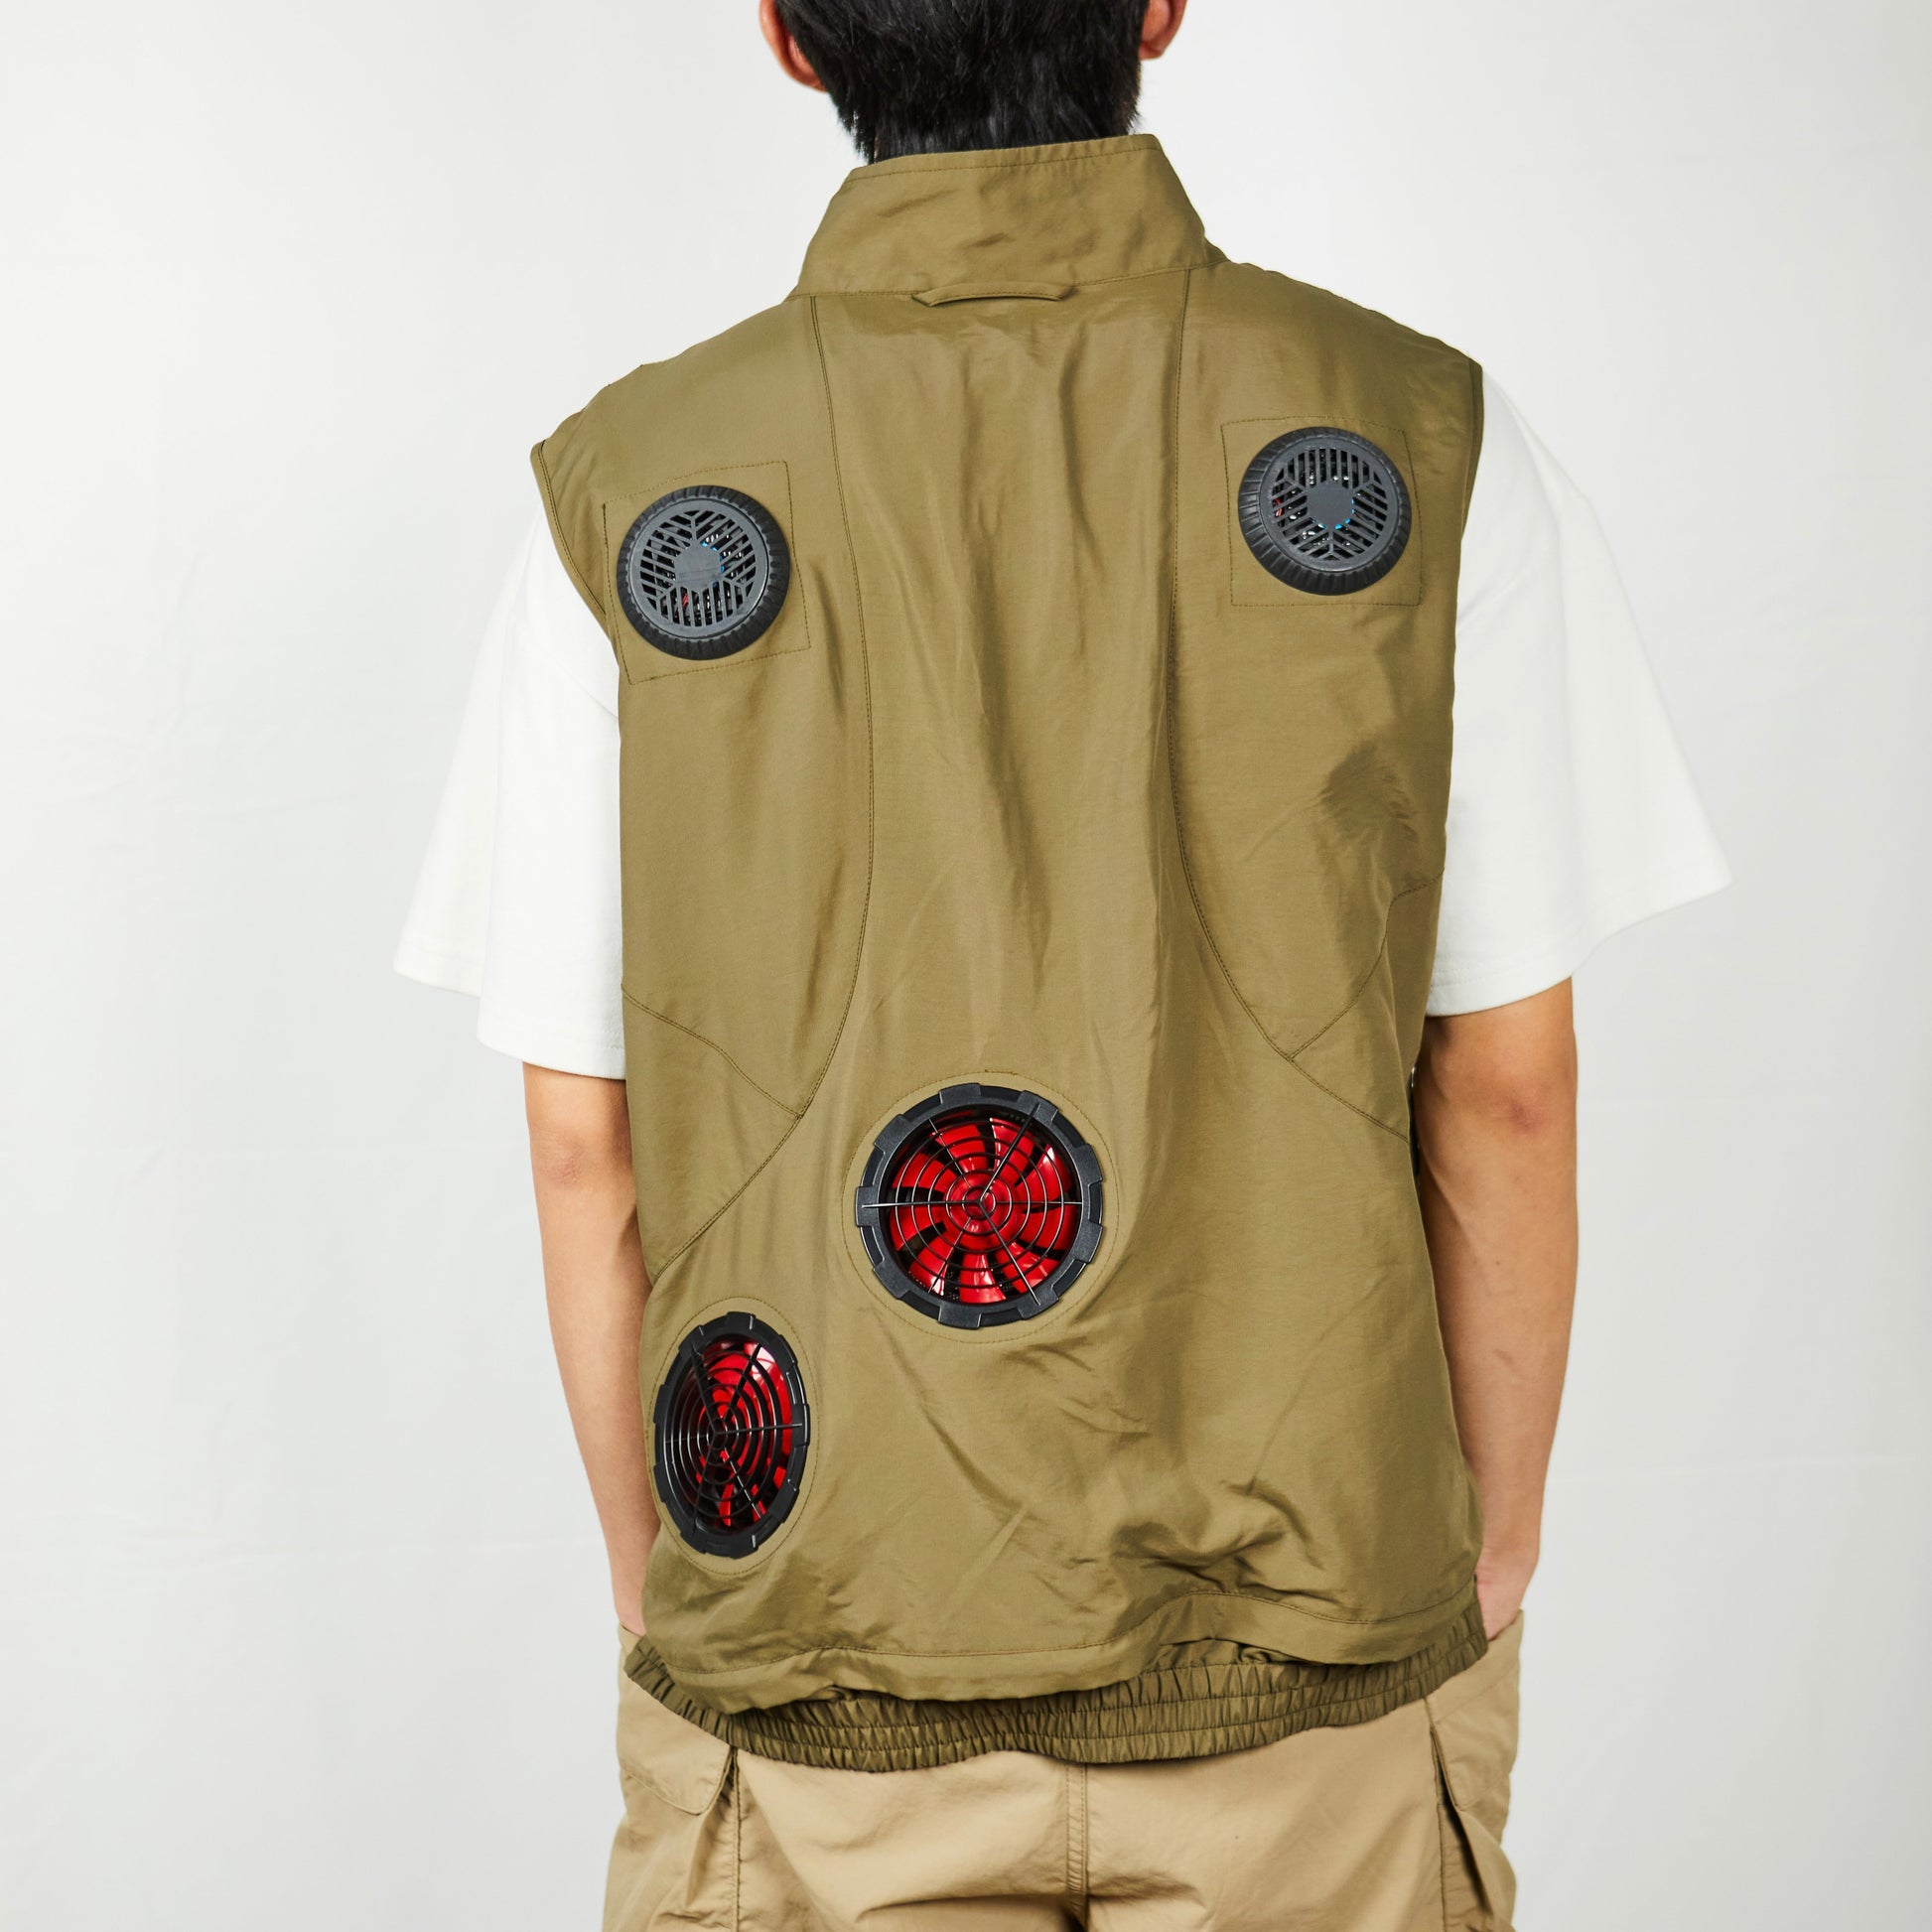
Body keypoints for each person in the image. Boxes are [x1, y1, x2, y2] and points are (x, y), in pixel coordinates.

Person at [397, 2, 1728, 1924]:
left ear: (789, 35)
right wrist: (1480, 1536)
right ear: (1158, 6)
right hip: (1313, 1665)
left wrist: (670, 1577)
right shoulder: (1417, 440)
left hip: (821, 1662)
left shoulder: (625, 492)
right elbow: (1506, 1087)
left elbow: (581, 1143)